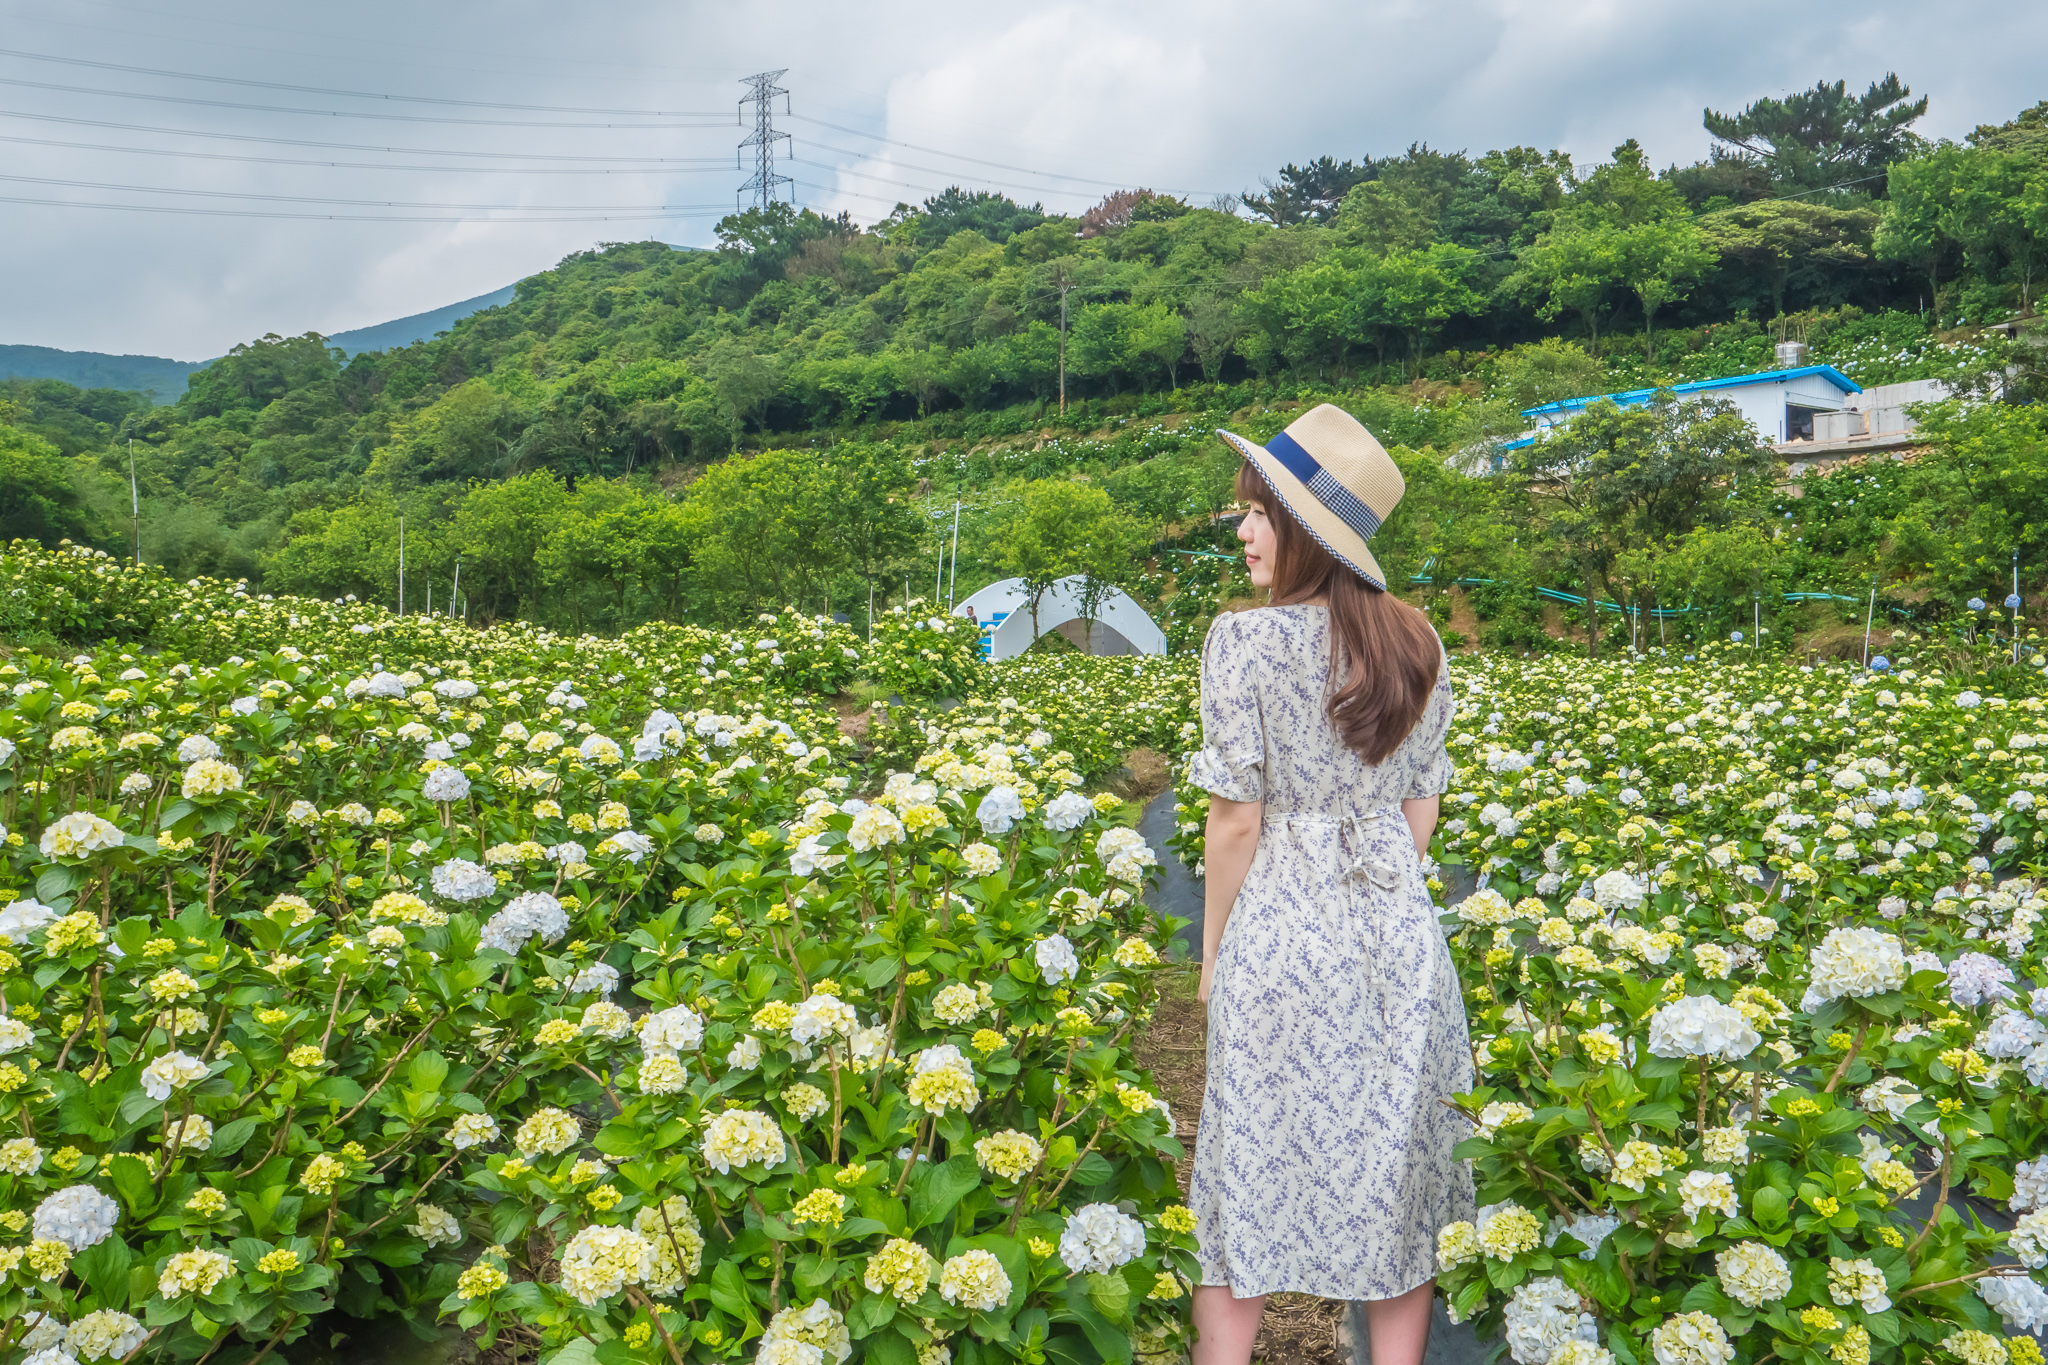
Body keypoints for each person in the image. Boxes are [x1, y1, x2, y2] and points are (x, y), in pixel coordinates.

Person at [1186, 404, 1473, 1365]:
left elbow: (1236, 818)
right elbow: (1417, 819)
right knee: (1397, 1185)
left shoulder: (1243, 641)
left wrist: (1215, 943)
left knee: (1243, 1174)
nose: (1242, 530)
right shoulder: (1419, 643)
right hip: (1398, 944)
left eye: (1257, 512)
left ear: (1304, 528)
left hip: (1278, 934)